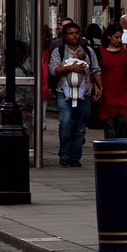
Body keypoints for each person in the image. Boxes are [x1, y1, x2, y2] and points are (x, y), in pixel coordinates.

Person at [49, 19, 100, 167]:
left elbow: (96, 70)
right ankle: (64, 154)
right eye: (71, 34)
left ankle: (75, 156)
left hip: (84, 94)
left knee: (80, 126)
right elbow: (54, 70)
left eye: (77, 33)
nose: (74, 36)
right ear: (65, 36)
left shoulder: (88, 51)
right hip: (64, 93)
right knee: (65, 123)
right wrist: (70, 68)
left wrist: (99, 87)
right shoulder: (59, 51)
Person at [95, 23, 127, 139]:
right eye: (116, 37)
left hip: (124, 91)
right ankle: (111, 150)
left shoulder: (125, 48)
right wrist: (97, 88)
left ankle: (121, 146)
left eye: (120, 37)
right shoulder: (100, 51)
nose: (119, 40)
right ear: (109, 36)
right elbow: (95, 70)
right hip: (107, 92)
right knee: (109, 125)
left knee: (125, 121)